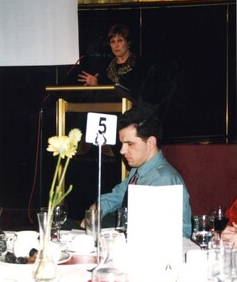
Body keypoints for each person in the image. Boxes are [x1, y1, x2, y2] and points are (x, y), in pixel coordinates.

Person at [80, 102, 192, 238]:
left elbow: (177, 235)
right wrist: (97, 208)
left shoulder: (164, 179)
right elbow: (117, 196)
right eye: (122, 144)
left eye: (130, 144)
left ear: (150, 142)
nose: (122, 150)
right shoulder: (138, 170)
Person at [77, 23, 149, 102]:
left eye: (120, 41)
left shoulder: (140, 65)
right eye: (112, 41)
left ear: (128, 43)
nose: (116, 45)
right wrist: (96, 85)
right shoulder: (105, 67)